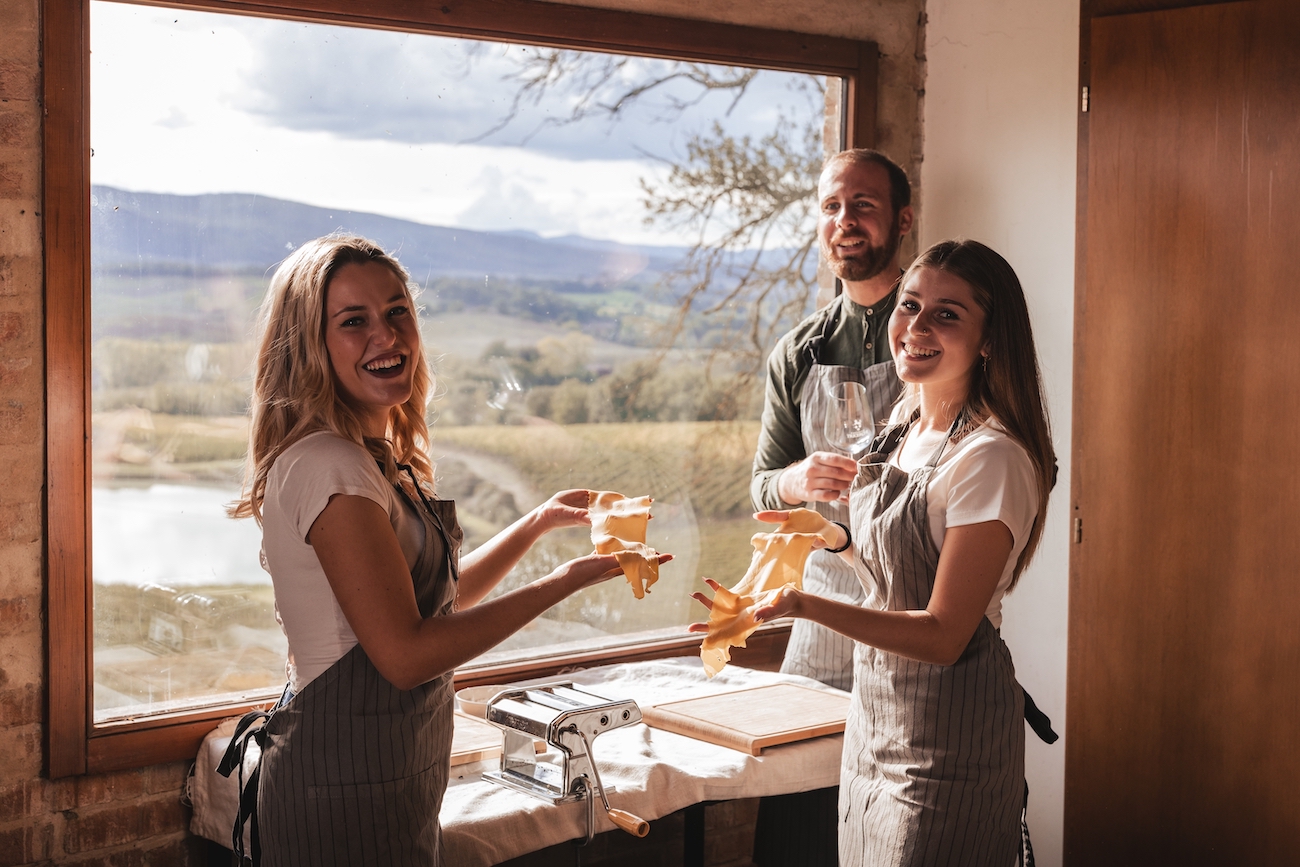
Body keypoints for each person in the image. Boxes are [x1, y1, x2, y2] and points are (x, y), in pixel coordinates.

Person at [221, 235, 661, 865]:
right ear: (309, 345)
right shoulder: (329, 467)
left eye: (397, 311)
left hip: (388, 778)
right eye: (353, 322)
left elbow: (433, 604)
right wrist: (563, 581)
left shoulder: (370, 458)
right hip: (340, 791)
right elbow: (404, 655)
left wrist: (534, 524)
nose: (387, 335)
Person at [704, 239, 1056, 865]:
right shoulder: (901, 429)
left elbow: (944, 632)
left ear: (990, 340)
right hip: (874, 722)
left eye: (946, 315)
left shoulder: (991, 458)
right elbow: (895, 580)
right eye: (910, 305)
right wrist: (830, 537)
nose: (915, 327)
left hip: (951, 737)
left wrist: (805, 605)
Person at [751, 147, 914, 692]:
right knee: (814, 766)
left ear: (902, 220)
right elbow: (763, 487)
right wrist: (797, 480)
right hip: (825, 598)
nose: (844, 220)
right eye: (831, 206)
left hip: (920, 592)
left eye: (863, 204)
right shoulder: (798, 352)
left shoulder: (938, 334)